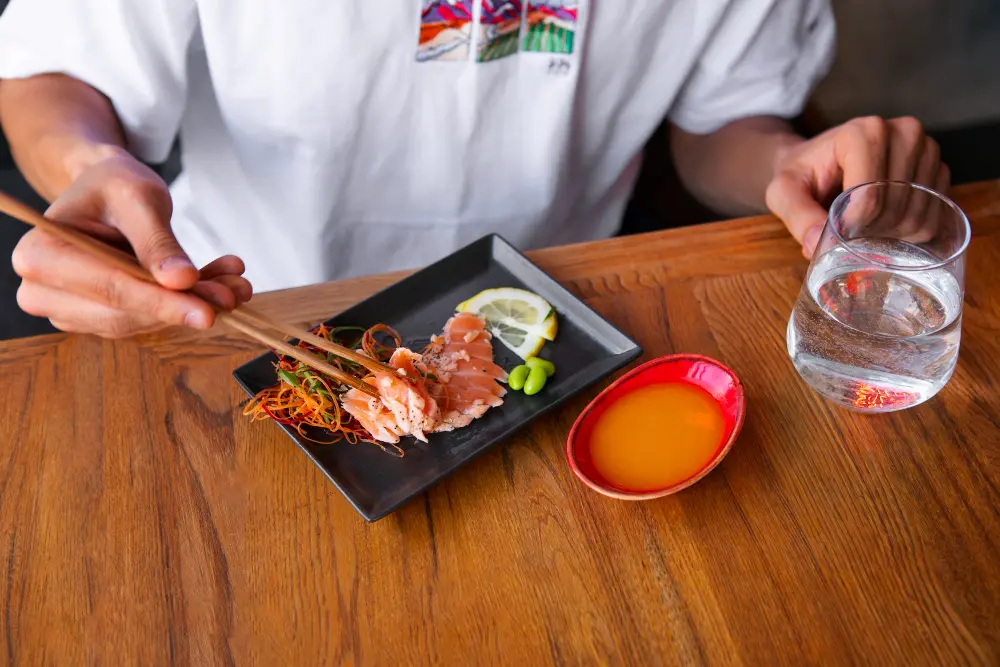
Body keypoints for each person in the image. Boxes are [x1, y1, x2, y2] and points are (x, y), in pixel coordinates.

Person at [0, 0, 949, 339]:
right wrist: (89, 163)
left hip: (561, 308)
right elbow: (59, 73)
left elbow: (718, 127)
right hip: (243, 305)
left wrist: (789, 166)